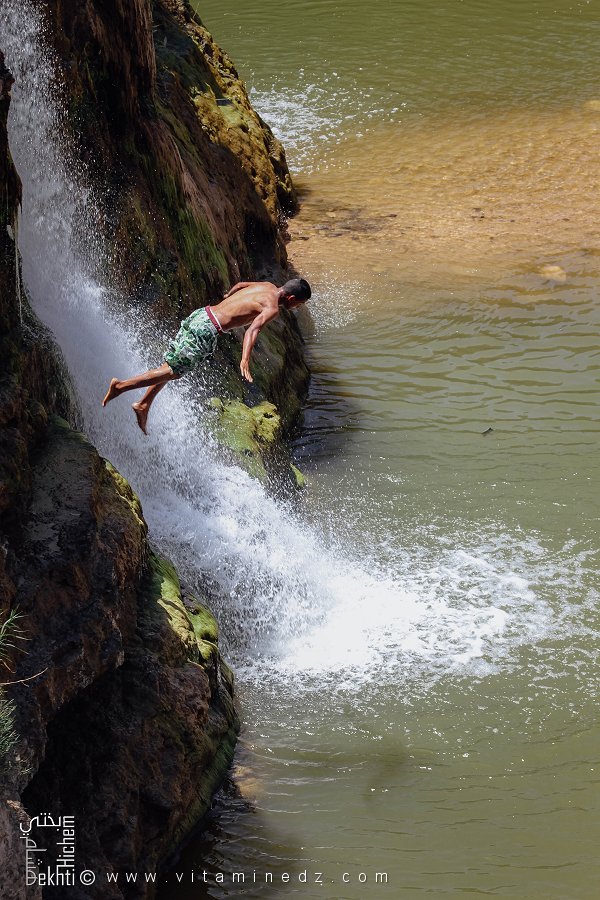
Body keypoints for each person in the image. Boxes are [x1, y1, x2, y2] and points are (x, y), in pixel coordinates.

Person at [101, 277, 312, 434]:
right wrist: (245, 359)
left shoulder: (266, 285)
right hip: (209, 328)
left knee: (173, 363)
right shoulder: (272, 307)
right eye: (298, 304)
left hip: (203, 314)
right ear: (291, 298)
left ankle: (144, 404)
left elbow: (240, 286)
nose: (295, 308)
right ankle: (121, 386)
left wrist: (228, 298)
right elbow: (253, 330)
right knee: (174, 371)